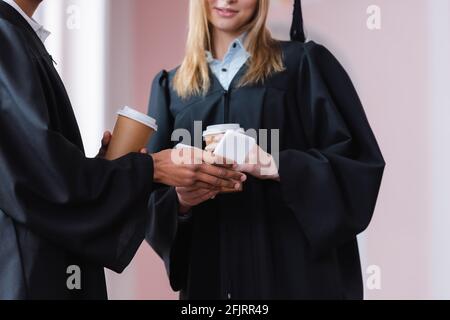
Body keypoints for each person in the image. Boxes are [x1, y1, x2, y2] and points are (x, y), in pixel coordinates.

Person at [0, 0, 245, 300]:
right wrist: (151, 168)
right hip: (25, 272)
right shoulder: (5, 35)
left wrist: (107, 167)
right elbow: (38, 177)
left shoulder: (19, 33)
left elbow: (35, 166)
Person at [146, 0, 385, 300]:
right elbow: (151, 201)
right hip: (212, 286)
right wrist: (181, 202)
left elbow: (359, 167)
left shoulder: (304, 65)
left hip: (297, 280)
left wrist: (274, 164)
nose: (226, 0)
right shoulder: (172, 89)